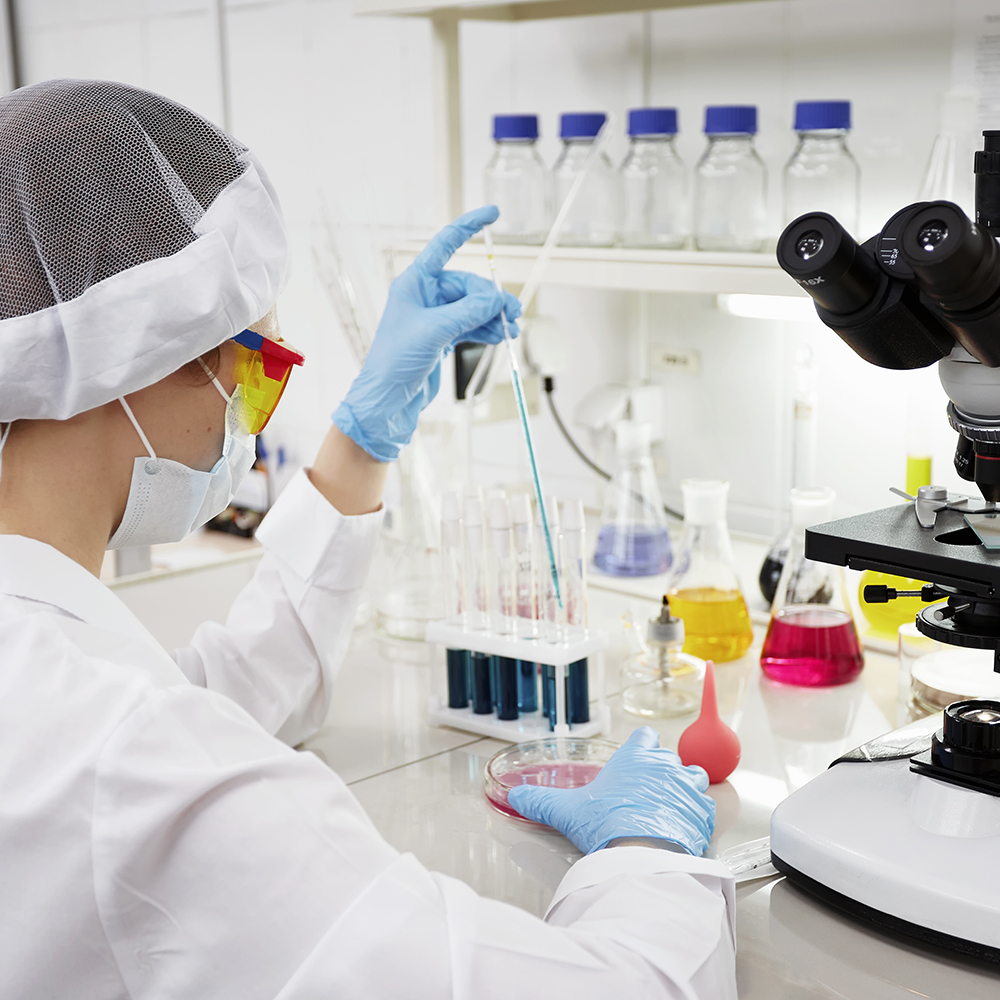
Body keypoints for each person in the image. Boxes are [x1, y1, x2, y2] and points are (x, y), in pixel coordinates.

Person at [0, 79, 736, 999]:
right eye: (263, 364)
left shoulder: (50, 659)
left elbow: (215, 698)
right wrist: (647, 854)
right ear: (175, 353)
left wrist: (360, 440)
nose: (259, 408)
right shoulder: (124, 753)